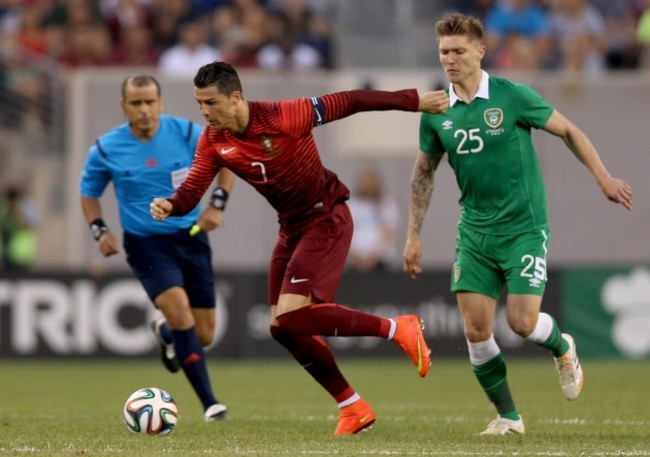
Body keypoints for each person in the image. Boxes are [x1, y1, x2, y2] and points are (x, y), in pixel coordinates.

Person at [150, 61, 449, 435]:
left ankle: (397, 328)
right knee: (282, 328)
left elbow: (352, 100)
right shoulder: (214, 140)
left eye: (210, 103)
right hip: (291, 228)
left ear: (236, 97)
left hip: (327, 218)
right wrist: (172, 205)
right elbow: (193, 189)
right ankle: (352, 407)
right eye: (199, 104)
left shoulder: (284, 116)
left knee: (291, 317)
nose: (204, 113)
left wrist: (413, 100)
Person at [403, 13, 633, 436]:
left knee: (522, 323)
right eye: (443, 53)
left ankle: (563, 347)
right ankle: (509, 417)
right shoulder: (435, 111)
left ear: (480, 51)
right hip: (474, 231)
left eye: (458, 51)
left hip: (524, 228)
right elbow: (424, 172)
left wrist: (603, 177)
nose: (450, 60)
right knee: (475, 329)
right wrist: (413, 234)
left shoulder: (512, 97)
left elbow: (570, 131)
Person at [79, 75, 236, 422]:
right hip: (146, 243)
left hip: (191, 236)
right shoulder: (105, 149)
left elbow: (226, 161)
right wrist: (99, 230)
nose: (145, 110)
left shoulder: (187, 134)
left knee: (203, 333)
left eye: (150, 102)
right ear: (124, 107)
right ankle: (211, 403)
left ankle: (165, 332)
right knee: (180, 312)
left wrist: (217, 204)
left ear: (161, 103)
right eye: (136, 103)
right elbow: (88, 193)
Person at [347, 167, 400, 272]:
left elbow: (389, 230)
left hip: (380, 259)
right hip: (356, 259)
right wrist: (352, 254)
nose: (367, 185)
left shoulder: (385, 204)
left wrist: (374, 255)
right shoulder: (352, 205)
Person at [0, 181, 39, 272]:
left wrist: (16, 211)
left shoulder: (25, 204)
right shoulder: (3, 205)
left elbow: (30, 224)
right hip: (4, 256)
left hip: (20, 256)